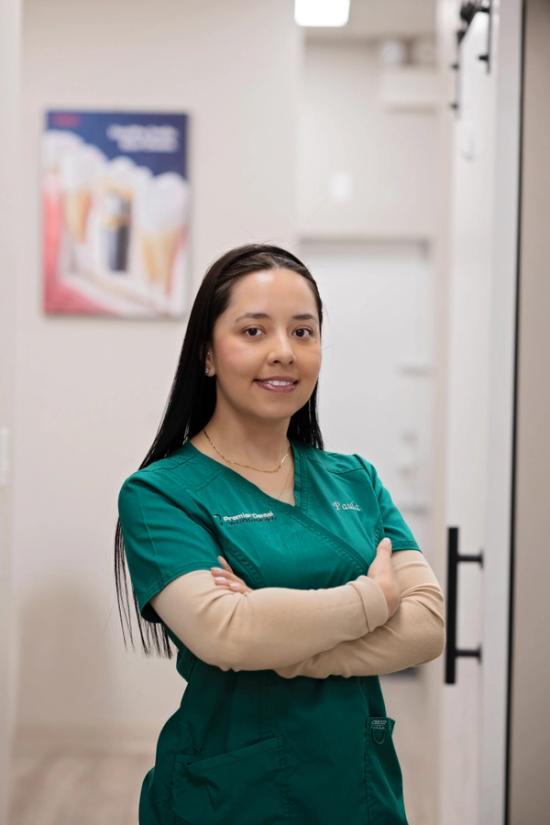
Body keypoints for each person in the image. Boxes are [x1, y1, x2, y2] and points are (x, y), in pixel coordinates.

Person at [115, 242, 445, 825]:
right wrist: (374, 599)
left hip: (358, 786)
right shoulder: (160, 494)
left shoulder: (356, 479)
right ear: (208, 355)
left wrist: (288, 649)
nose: (283, 353)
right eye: (253, 331)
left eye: (303, 332)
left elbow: (427, 626)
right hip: (232, 793)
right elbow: (227, 633)